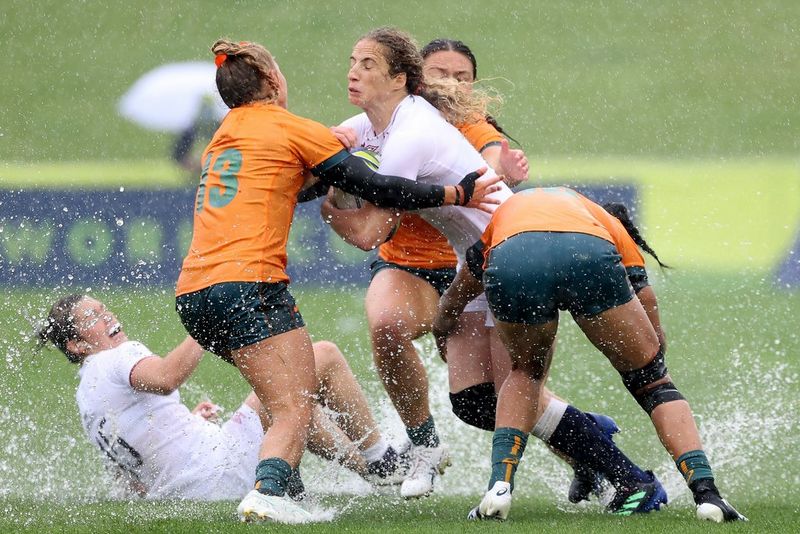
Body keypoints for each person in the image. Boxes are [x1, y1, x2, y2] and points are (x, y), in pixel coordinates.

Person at [323, 28, 664, 512]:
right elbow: (330, 143)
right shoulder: (379, 121)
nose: (353, 72)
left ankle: (634, 481)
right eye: (353, 61)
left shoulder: (411, 135)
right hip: (477, 261)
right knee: (474, 401)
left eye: (367, 65)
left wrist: (331, 207)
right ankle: (585, 433)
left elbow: (368, 234)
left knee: (518, 393)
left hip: (509, 256)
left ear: (401, 79)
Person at [173, 38, 501, 524]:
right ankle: (271, 494)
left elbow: (301, 187)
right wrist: (457, 192)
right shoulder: (291, 130)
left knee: (305, 374)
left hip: (193, 293)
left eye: (364, 64)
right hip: (248, 284)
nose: (353, 72)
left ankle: (364, 465)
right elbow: (376, 188)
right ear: (272, 82)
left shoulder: (223, 137)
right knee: (293, 404)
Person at [434, 187, 747, 523]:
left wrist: (443, 323)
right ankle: (707, 495)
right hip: (587, 254)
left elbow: (467, 277)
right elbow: (646, 299)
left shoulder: (523, 206)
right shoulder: (606, 223)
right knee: (654, 383)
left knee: (525, 373)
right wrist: (653, 357)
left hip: (516, 256)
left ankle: (499, 489)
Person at [36, 294, 409, 502]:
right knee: (319, 358)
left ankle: (375, 470)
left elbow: (131, 474)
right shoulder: (116, 357)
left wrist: (188, 427)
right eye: (94, 317)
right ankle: (379, 460)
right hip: (223, 473)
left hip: (194, 489)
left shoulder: (86, 395)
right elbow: (167, 377)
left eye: (104, 308)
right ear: (77, 344)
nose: (108, 316)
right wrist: (209, 323)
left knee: (284, 394)